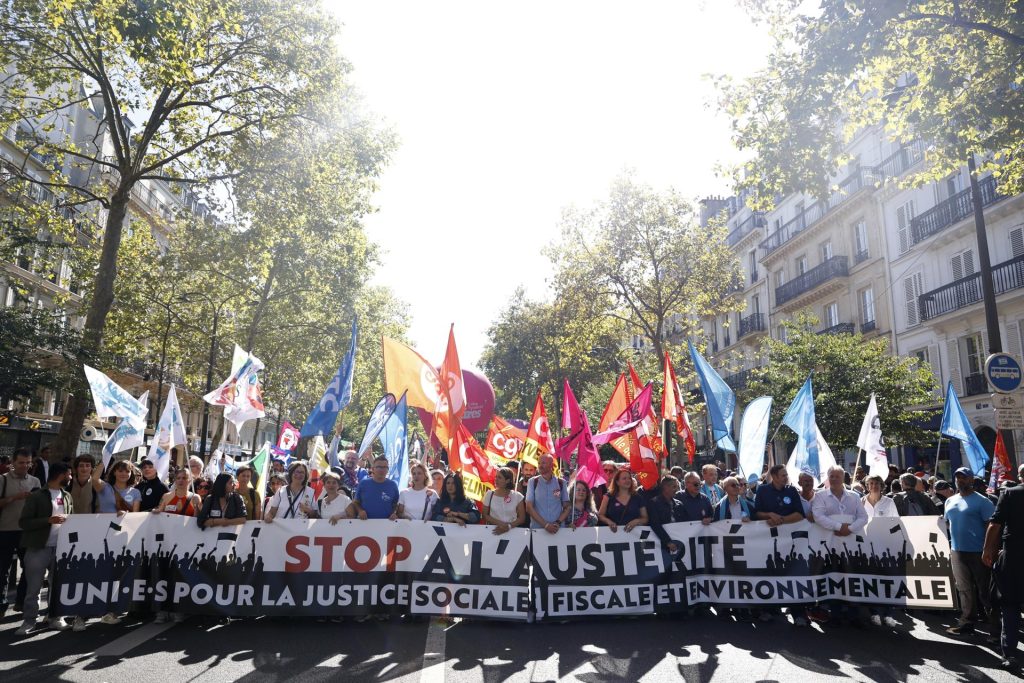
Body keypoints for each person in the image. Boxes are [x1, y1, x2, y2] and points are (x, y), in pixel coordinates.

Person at [14, 462, 72, 636]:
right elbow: (23, 522)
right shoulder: (37, 496)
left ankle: (56, 617)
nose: (70, 477)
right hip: (38, 548)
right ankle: (29, 620)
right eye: (68, 474)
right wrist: (48, 520)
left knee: (58, 586)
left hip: (61, 549)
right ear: (60, 475)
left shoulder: (68, 496)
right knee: (33, 588)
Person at [812, 465, 869, 626]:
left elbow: (863, 517)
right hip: (830, 547)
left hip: (851, 546)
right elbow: (818, 516)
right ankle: (834, 613)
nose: (834, 479)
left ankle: (854, 614)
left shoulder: (854, 496)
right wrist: (839, 527)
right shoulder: (820, 496)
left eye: (837, 476)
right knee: (833, 578)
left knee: (852, 578)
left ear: (843, 478)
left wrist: (849, 529)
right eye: (831, 476)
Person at [944, 467, 996, 636]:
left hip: (978, 552)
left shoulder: (983, 502)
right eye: (958, 477)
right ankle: (967, 622)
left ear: (972, 480)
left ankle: (996, 629)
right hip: (957, 551)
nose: (961, 481)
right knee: (964, 589)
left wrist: (988, 550)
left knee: (985, 590)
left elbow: (992, 527)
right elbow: (946, 524)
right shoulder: (949, 501)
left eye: (964, 478)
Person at [753, 464, 806, 625]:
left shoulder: (791, 491)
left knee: (793, 573)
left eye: (786, 475)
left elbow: (799, 514)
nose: (786, 477)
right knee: (770, 573)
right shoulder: (762, 490)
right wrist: (769, 515)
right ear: (774, 476)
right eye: (783, 475)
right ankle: (769, 609)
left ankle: (798, 613)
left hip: (790, 542)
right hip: (769, 541)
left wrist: (781, 520)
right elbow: (756, 513)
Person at [983, 477, 1024, 669]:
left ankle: (1010, 654)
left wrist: (987, 550)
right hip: (1013, 555)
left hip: (1014, 557)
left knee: (1010, 604)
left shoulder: (1010, 493)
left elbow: (995, 524)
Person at [0, 448, 40, 618]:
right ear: (13, 463)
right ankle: (1, 605)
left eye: (28, 462)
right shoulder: (2, 480)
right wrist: (14, 498)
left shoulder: (35, 481)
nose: (25, 465)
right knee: (2, 569)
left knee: (30, 567)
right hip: (5, 530)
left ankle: (21, 601)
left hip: (27, 532)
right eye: (21, 462)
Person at [861, 474, 899, 627]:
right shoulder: (861, 502)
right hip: (866, 548)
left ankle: (889, 613)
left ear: (881, 485)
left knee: (887, 580)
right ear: (867, 486)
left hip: (886, 548)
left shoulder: (889, 502)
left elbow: (896, 523)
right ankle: (874, 612)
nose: (874, 486)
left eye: (877, 483)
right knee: (871, 580)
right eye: (871, 483)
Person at [525, 454, 569, 533]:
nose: (540, 466)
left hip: (558, 530)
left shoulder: (561, 483)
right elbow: (529, 507)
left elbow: (567, 507)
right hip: (538, 531)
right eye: (539, 463)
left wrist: (558, 523)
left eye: (543, 463)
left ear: (552, 465)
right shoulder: (532, 482)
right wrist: (546, 525)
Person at [597, 468, 649, 532]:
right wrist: (609, 522)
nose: (628, 480)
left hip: (634, 536)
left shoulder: (638, 497)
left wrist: (636, 521)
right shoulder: (608, 497)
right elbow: (600, 515)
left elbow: (645, 518)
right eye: (624, 478)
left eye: (629, 478)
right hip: (612, 535)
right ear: (617, 482)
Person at [351, 456, 400, 520]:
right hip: (366, 523)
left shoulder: (393, 485)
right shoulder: (363, 484)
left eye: (384, 467)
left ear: (388, 469)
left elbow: (396, 504)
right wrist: (360, 511)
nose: (382, 470)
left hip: (387, 524)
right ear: (373, 469)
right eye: (379, 467)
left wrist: (394, 513)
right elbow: (356, 502)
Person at [648, 476, 687, 553]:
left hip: (679, 542)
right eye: (674, 487)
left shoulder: (679, 504)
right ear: (665, 487)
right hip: (661, 545)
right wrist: (668, 542)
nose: (677, 489)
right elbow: (655, 524)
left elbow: (686, 523)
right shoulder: (654, 503)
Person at [482, 467, 526, 533]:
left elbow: (522, 518)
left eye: (499, 477)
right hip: (493, 531)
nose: (496, 479)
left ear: (507, 480)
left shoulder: (518, 496)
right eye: (496, 477)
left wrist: (509, 526)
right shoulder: (489, 494)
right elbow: (485, 515)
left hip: (512, 532)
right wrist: (501, 524)